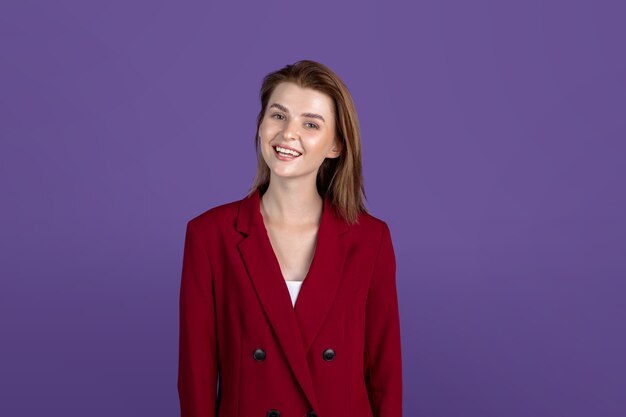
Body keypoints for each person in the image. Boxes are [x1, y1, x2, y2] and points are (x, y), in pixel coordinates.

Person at [178, 60, 403, 417]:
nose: (287, 134)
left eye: (310, 124)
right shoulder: (209, 236)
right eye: (278, 116)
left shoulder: (370, 239)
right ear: (260, 124)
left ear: (336, 146)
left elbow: (385, 374)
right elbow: (196, 376)